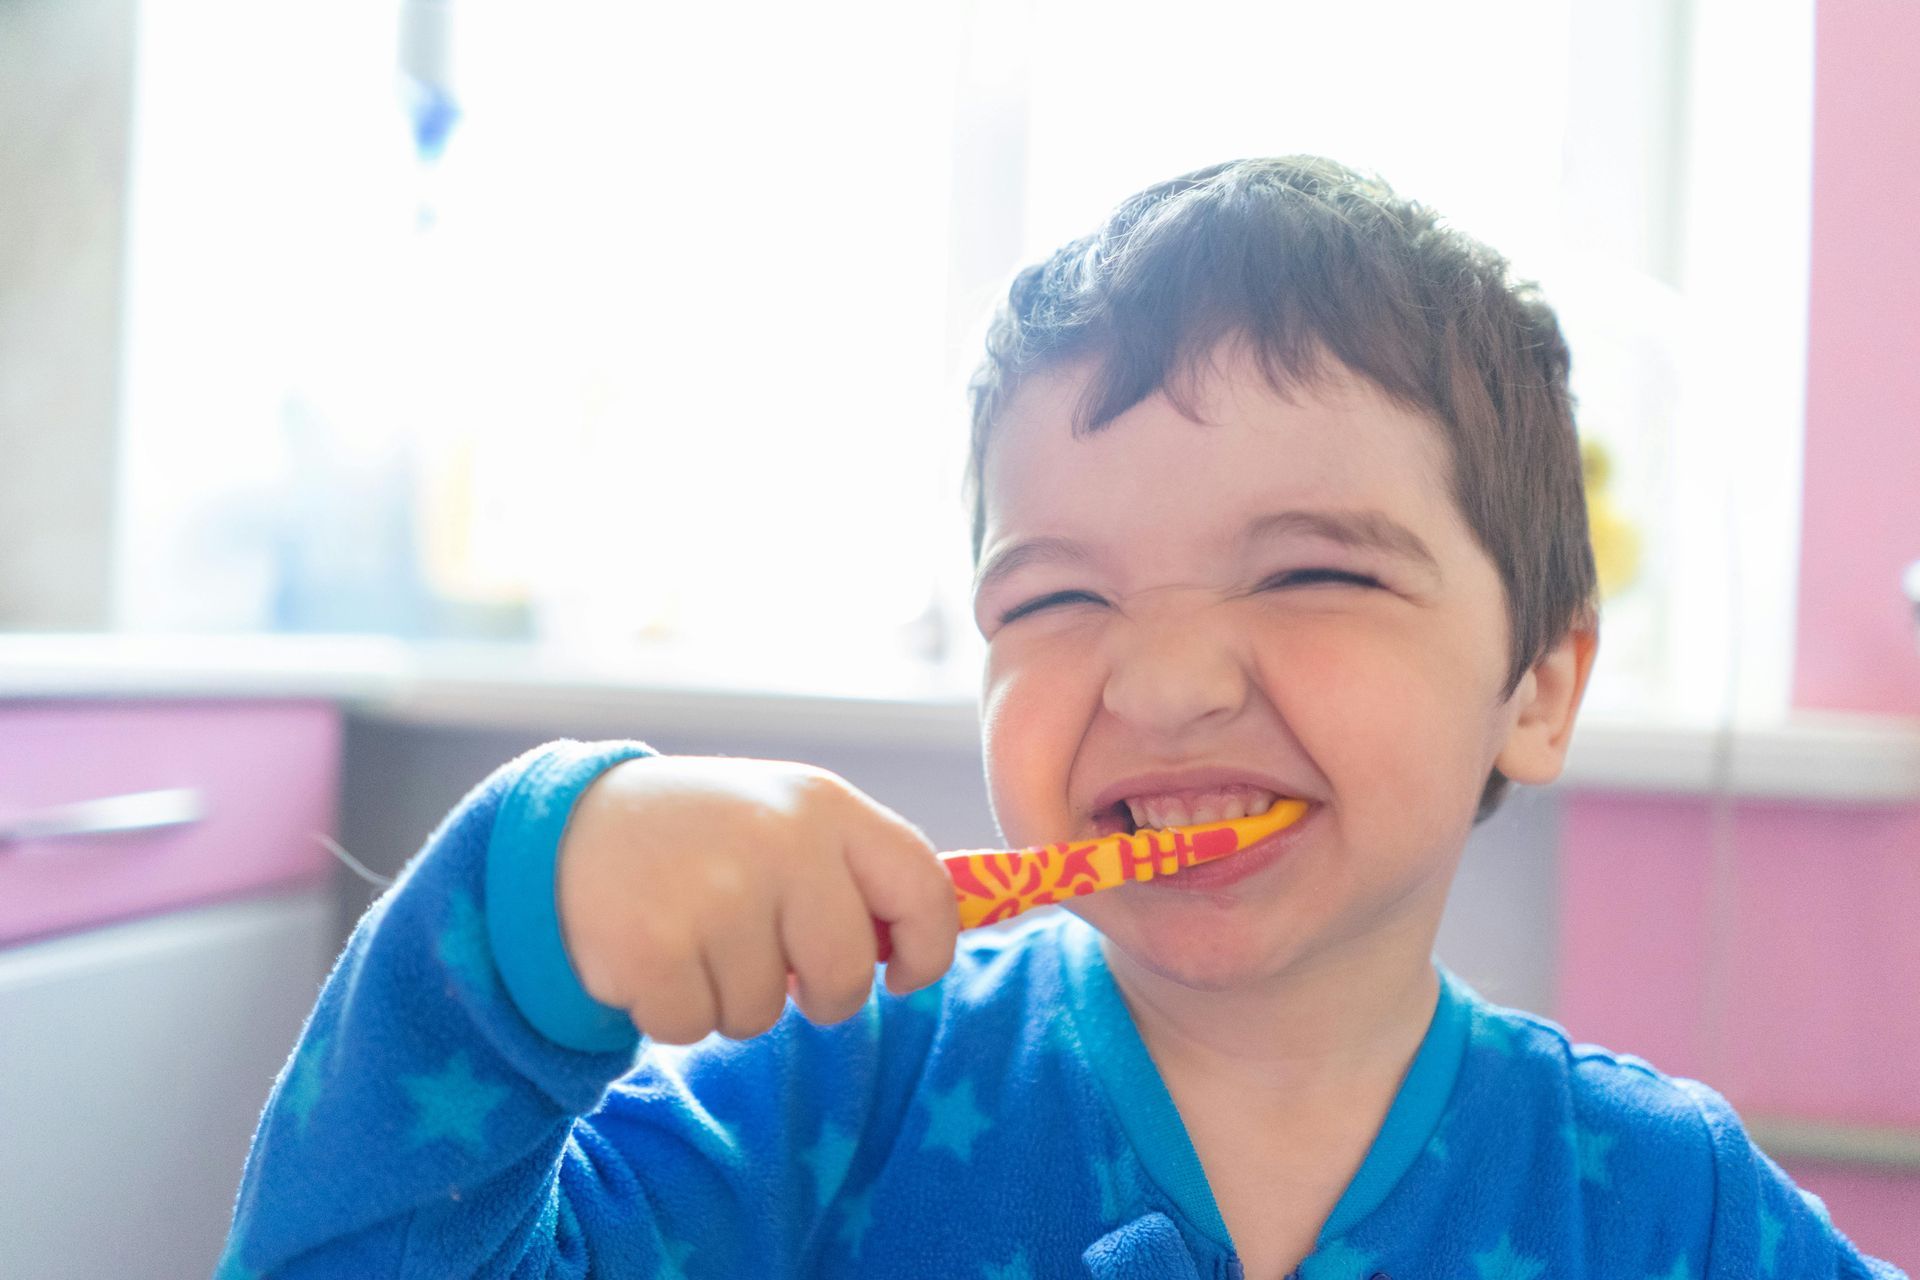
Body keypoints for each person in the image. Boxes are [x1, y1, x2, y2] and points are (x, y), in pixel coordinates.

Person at [218, 157, 1905, 1279]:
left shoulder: (1667, 1209)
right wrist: (521, 925)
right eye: (1056, 598)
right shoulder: (827, 1106)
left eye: (1316, 572)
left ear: (1537, 683)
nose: (1162, 681)